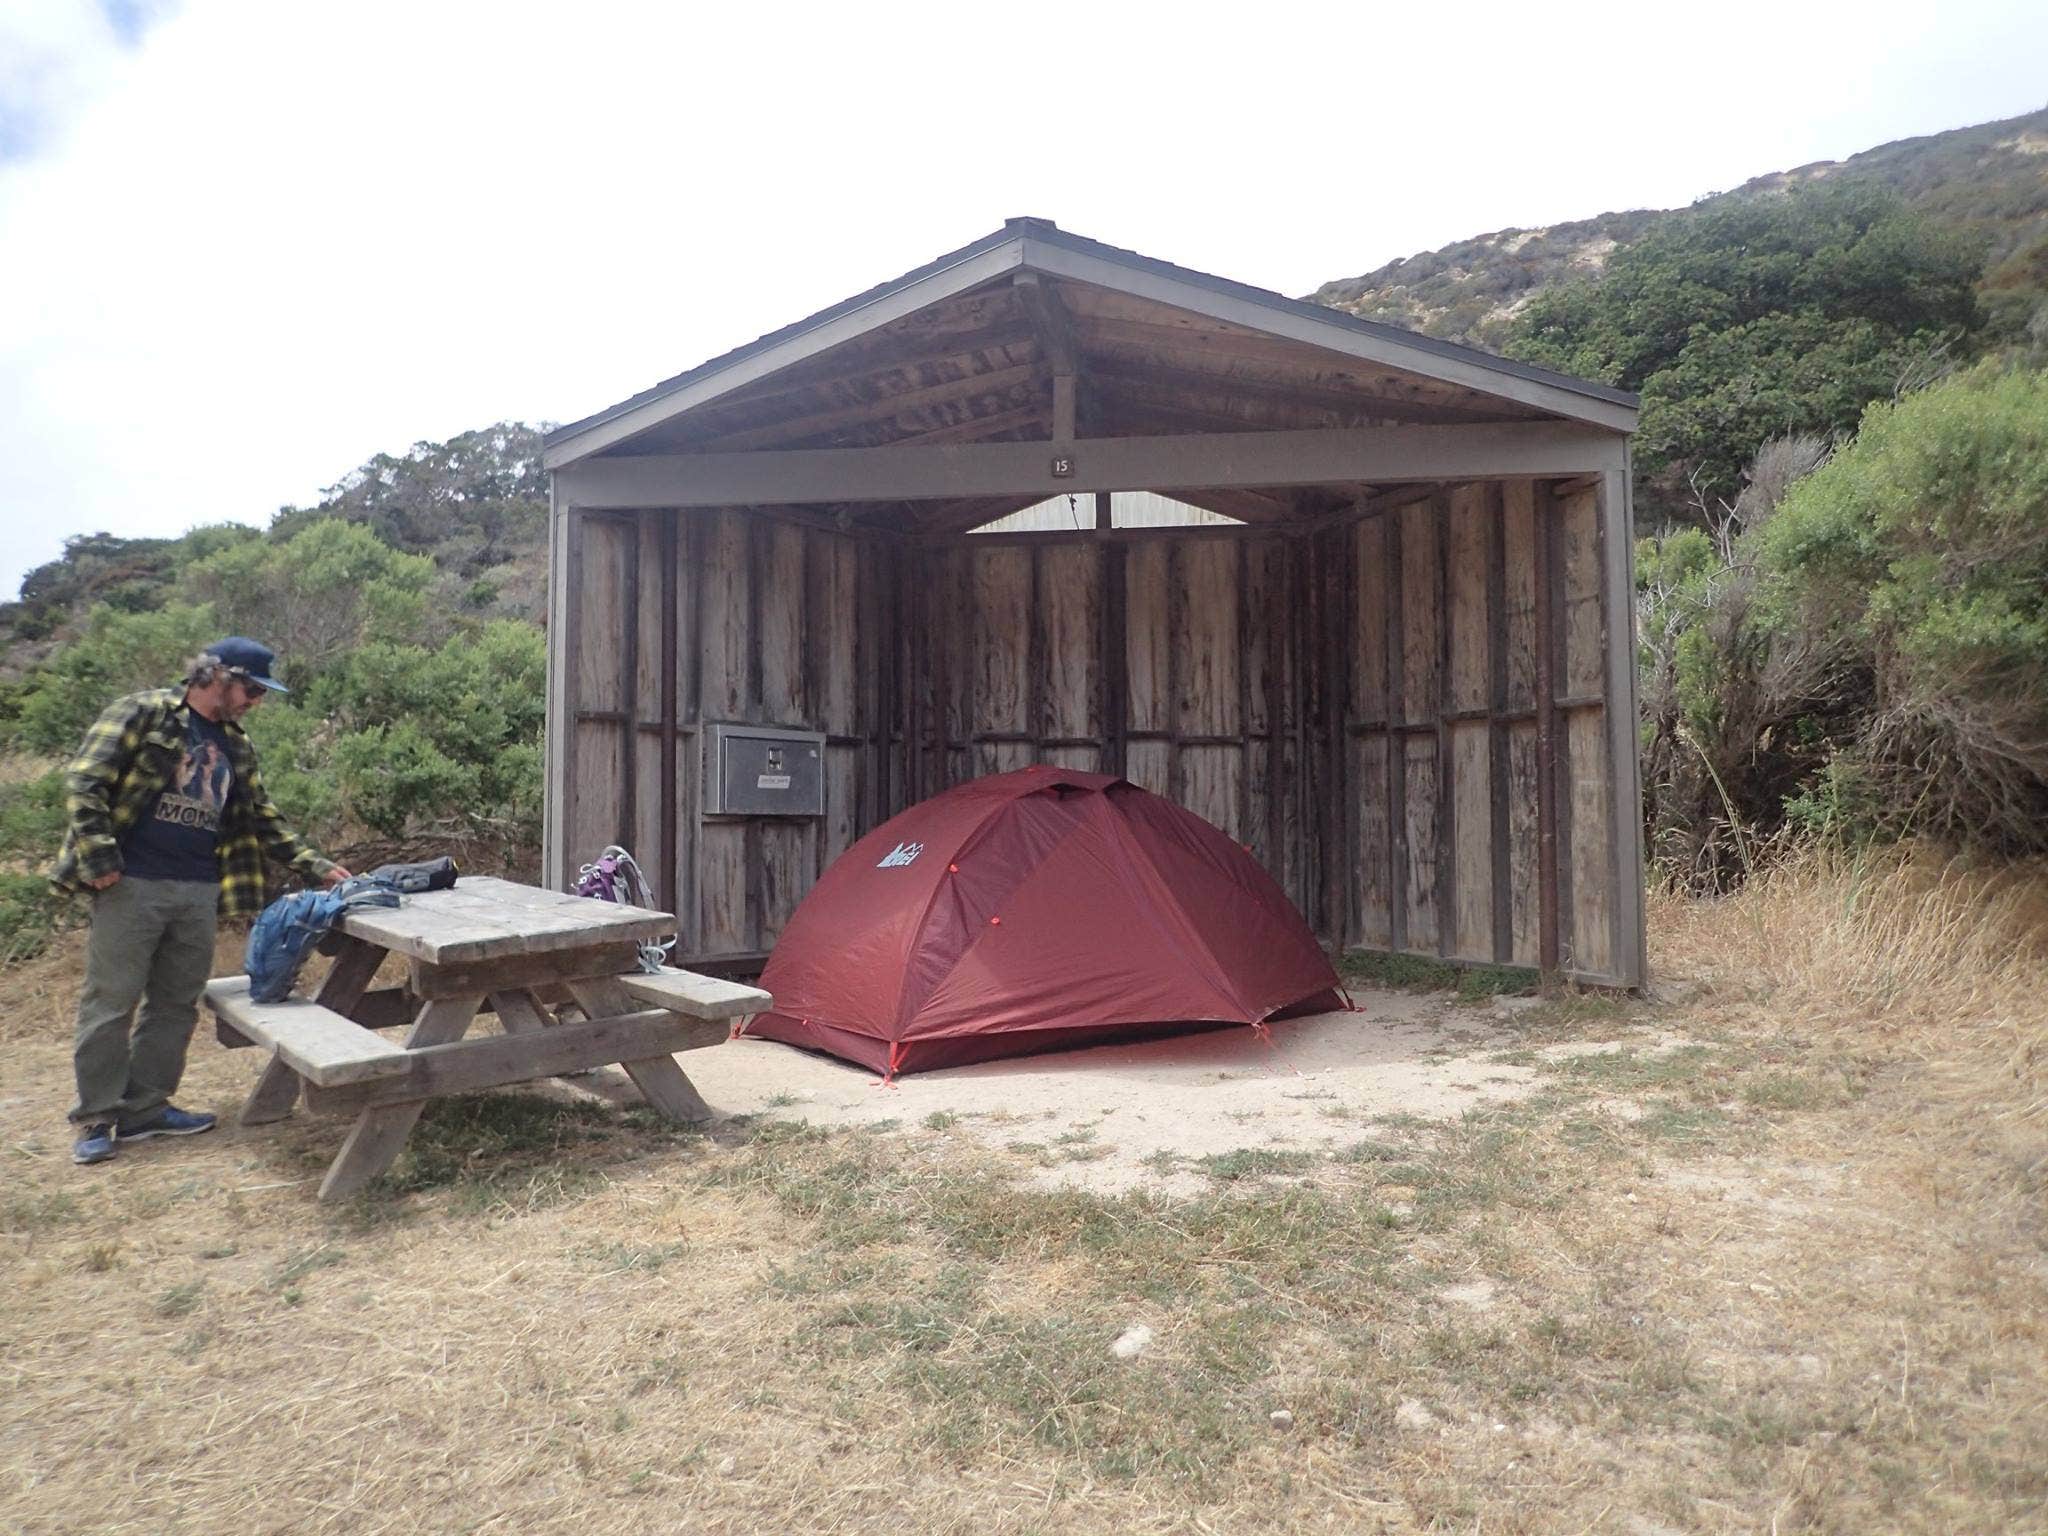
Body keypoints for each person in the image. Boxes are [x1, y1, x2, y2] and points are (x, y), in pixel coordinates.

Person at [49, 636, 351, 1166]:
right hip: (129, 883)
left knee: (175, 1003)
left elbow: (261, 815)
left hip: (198, 888)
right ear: (216, 675)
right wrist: (100, 860)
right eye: (252, 689)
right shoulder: (143, 712)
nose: (256, 702)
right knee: (112, 1002)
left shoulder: (236, 743)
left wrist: (316, 865)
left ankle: (145, 1108)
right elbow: (84, 781)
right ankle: (97, 1117)